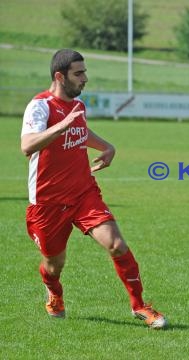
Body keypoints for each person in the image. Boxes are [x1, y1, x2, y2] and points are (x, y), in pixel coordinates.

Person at [20, 49, 167, 329]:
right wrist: (62, 125)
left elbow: (80, 131)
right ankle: (54, 291)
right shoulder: (40, 106)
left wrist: (107, 146)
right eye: (79, 73)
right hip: (48, 202)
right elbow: (28, 145)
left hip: (83, 193)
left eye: (85, 72)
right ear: (60, 76)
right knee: (54, 265)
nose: (85, 78)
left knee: (117, 244)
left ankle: (139, 305)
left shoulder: (78, 106)